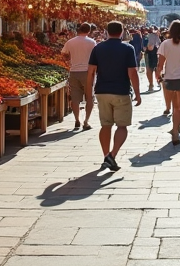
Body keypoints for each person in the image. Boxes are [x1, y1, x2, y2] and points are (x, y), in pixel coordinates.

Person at [86, 21, 142, 171]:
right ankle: (112, 155)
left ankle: (106, 155)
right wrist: (137, 93)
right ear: (122, 32)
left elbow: (91, 71)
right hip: (121, 91)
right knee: (121, 126)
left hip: (102, 91)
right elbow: (132, 72)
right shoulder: (128, 48)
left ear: (106, 31)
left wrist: (89, 90)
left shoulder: (98, 48)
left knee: (105, 125)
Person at [60, 23, 97, 131]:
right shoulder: (92, 42)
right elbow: (95, 57)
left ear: (79, 30)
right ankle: (86, 121)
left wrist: (70, 58)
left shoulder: (70, 42)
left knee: (75, 98)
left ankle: (77, 119)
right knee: (89, 97)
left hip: (74, 71)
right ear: (89, 31)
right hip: (88, 72)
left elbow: (64, 54)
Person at [145, 27, 161, 92]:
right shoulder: (156, 37)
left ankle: (151, 85)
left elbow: (145, 47)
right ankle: (158, 83)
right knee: (156, 69)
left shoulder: (146, 36)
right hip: (155, 53)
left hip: (149, 53)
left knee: (149, 69)